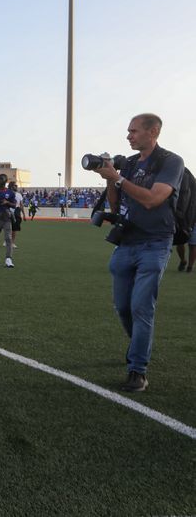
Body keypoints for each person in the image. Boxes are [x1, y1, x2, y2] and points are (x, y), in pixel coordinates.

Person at [92, 113, 184, 392]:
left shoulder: (170, 161)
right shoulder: (129, 164)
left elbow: (153, 200)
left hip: (155, 242)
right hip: (127, 241)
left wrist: (117, 179)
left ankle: (137, 370)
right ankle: (138, 346)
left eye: (133, 131)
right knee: (122, 307)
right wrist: (110, 178)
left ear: (152, 132)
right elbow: (116, 200)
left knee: (141, 307)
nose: (128, 136)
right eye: (128, 131)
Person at [9, 181, 25, 248]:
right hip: (9, 211)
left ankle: (12, 242)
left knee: (14, 228)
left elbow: (21, 205)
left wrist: (24, 214)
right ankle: (8, 241)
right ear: (12, 186)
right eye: (15, 185)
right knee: (7, 227)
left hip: (16, 212)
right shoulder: (8, 193)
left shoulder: (19, 195)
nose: (16, 187)